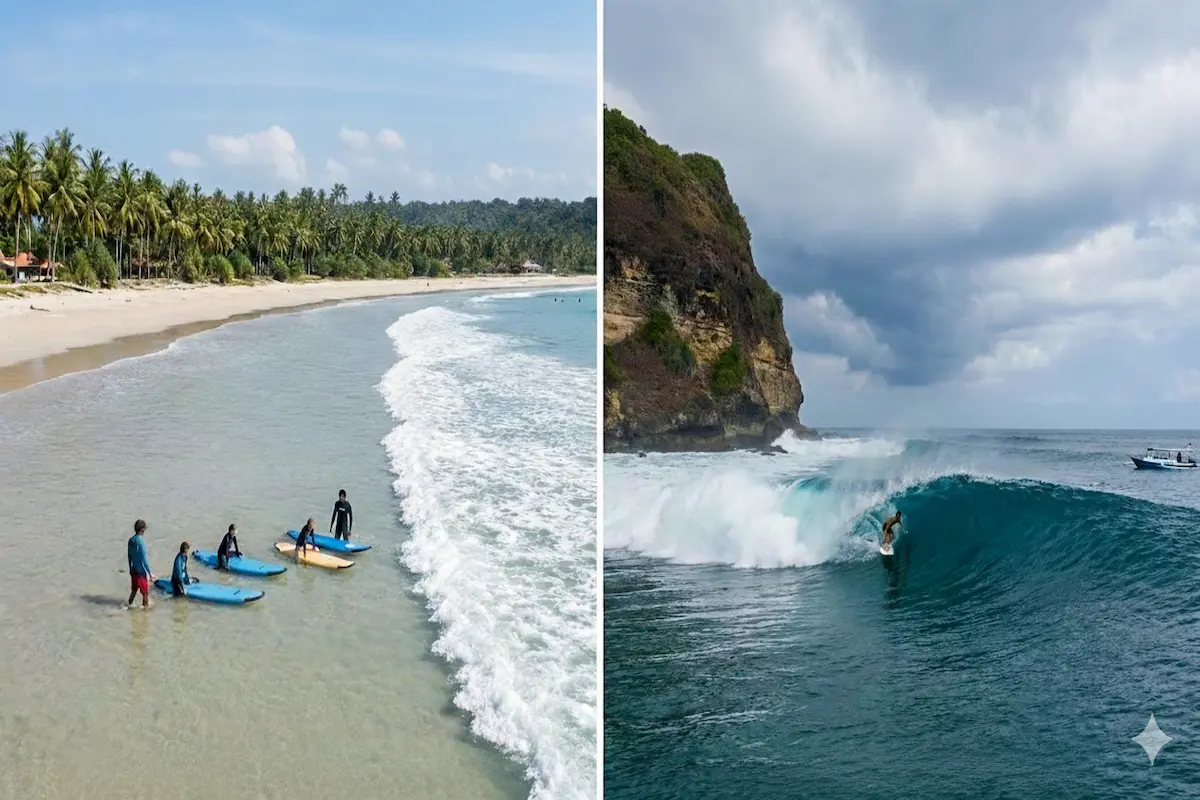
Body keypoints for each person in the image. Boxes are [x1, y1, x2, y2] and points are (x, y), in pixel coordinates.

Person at [127, 519, 155, 608]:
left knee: (134, 590)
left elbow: (129, 556)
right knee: (145, 593)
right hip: (141, 572)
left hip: (133, 570)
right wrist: (150, 573)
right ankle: (145, 612)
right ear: (142, 530)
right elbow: (144, 559)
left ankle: (128, 604)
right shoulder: (141, 541)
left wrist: (130, 569)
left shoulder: (131, 540)